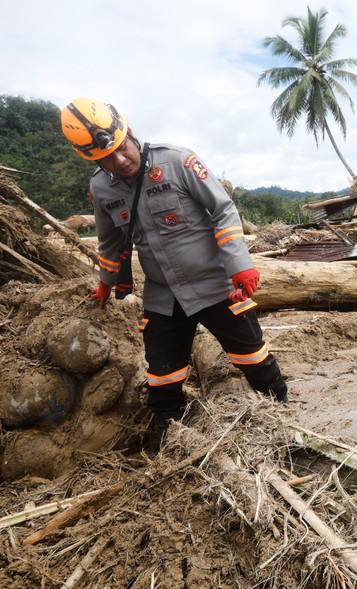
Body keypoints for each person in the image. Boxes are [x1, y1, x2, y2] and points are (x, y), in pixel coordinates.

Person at [60, 98, 288, 444]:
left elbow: (223, 210)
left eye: (121, 149)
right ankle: (170, 438)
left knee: (252, 356)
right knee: (163, 375)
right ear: (91, 159)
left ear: (129, 132)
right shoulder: (101, 188)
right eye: (106, 158)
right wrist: (105, 283)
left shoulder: (177, 161)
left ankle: (282, 418)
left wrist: (240, 265)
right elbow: (109, 242)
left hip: (215, 284)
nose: (119, 160)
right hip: (162, 294)